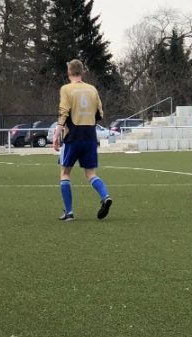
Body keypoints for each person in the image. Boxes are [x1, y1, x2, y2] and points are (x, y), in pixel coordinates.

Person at [52, 59, 112, 221]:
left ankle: (69, 212)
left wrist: (56, 134)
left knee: (65, 173)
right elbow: (100, 113)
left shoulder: (66, 89)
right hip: (90, 137)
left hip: (73, 136)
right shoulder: (92, 89)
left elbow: (64, 112)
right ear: (83, 72)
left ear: (69, 72)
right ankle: (105, 196)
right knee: (91, 173)